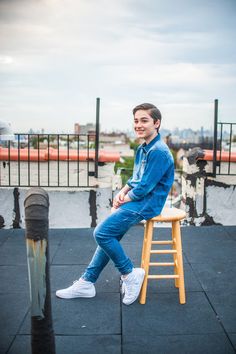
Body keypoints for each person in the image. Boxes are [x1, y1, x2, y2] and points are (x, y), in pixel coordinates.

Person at [56, 103, 174, 305]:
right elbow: (136, 179)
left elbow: (145, 187)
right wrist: (122, 192)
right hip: (138, 199)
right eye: (136, 121)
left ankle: (129, 274)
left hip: (148, 204)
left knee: (101, 233)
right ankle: (87, 282)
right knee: (108, 235)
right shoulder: (143, 147)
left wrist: (123, 200)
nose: (138, 125)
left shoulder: (159, 152)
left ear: (157, 123)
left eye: (144, 120)